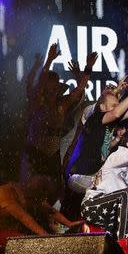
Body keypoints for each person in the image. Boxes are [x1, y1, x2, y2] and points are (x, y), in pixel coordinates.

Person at [22, 44, 98, 195]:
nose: (53, 90)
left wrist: (88, 68)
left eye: (55, 88)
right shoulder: (37, 104)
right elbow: (39, 83)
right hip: (34, 154)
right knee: (32, 192)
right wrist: (49, 60)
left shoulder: (62, 106)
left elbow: (79, 90)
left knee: (53, 191)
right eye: (49, 88)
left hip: (53, 156)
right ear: (44, 89)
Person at [0, 176, 83, 249]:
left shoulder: (31, 193)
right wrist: (46, 236)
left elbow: (50, 211)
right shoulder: (5, 193)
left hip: (13, 230)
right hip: (3, 231)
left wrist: (69, 223)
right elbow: (23, 217)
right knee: (23, 243)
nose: (44, 200)